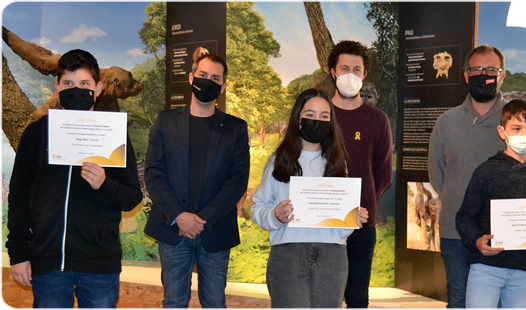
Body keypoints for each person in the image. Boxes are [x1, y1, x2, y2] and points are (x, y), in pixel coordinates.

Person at [6, 49, 143, 308]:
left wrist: (105, 185)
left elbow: (132, 197)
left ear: (99, 88)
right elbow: (20, 197)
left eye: (84, 84)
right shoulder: (35, 134)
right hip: (48, 264)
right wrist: (19, 254)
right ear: (57, 86)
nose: (76, 89)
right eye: (68, 83)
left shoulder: (113, 135)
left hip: (100, 266)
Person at [428, 44, 526, 308]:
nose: (484, 75)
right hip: (457, 234)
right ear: (466, 76)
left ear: (502, 75)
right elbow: (438, 176)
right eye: (477, 69)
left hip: (509, 237)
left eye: (491, 69)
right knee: (458, 301)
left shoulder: (521, 123)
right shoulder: (446, 122)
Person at [144, 53, 250, 308]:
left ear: (223, 87)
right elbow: (153, 172)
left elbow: (237, 181)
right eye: (203, 75)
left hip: (215, 231)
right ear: (191, 78)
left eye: (215, 78)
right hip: (173, 229)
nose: (208, 81)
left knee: (214, 303)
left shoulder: (236, 128)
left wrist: (200, 221)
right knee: (174, 302)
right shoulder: (165, 121)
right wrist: (179, 215)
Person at [251, 88, 369, 308]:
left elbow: (342, 230)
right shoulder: (279, 160)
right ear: (298, 119)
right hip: (288, 255)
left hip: (332, 256)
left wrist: (352, 218)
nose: (318, 121)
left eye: (324, 116)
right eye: (311, 115)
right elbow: (258, 208)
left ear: (331, 122)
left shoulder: (337, 162)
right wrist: (275, 216)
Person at [455, 99, 526, 308]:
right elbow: (464, 216)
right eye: (516, 128)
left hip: (525, 271)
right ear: (502, 132)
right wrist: (477, 241)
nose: (525, 134)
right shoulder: (486, 170)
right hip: (486, 268)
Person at [327, 40, 394, 308]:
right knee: (323, 296)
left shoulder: (378, 120)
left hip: (361, 225)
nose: (350, 75)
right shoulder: (318, 114)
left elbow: (384, 174)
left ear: (364, 75)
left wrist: (362, 204)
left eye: (357, 70)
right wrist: (337, 206)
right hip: (322, 224)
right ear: (333, 72)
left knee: (357, 298)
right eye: (345, 68)